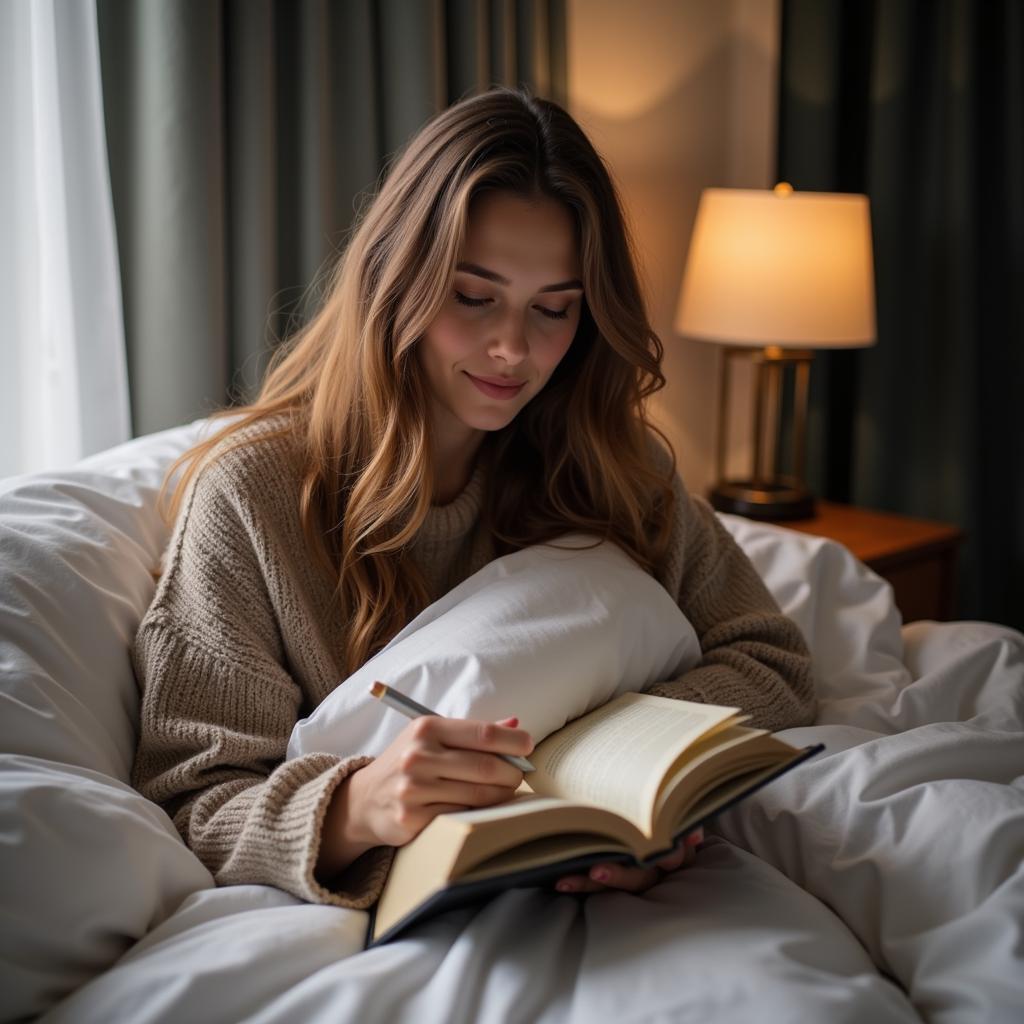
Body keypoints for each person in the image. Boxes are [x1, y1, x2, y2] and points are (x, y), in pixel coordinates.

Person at [131, 86, 815, 913]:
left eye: (554, 309)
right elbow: (196, 800)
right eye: (473, 296)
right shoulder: (251, 496)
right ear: (396, 283)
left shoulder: (611, 462)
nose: (513, 349)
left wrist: (622, 771)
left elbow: (770, 661)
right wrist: (358, 806)